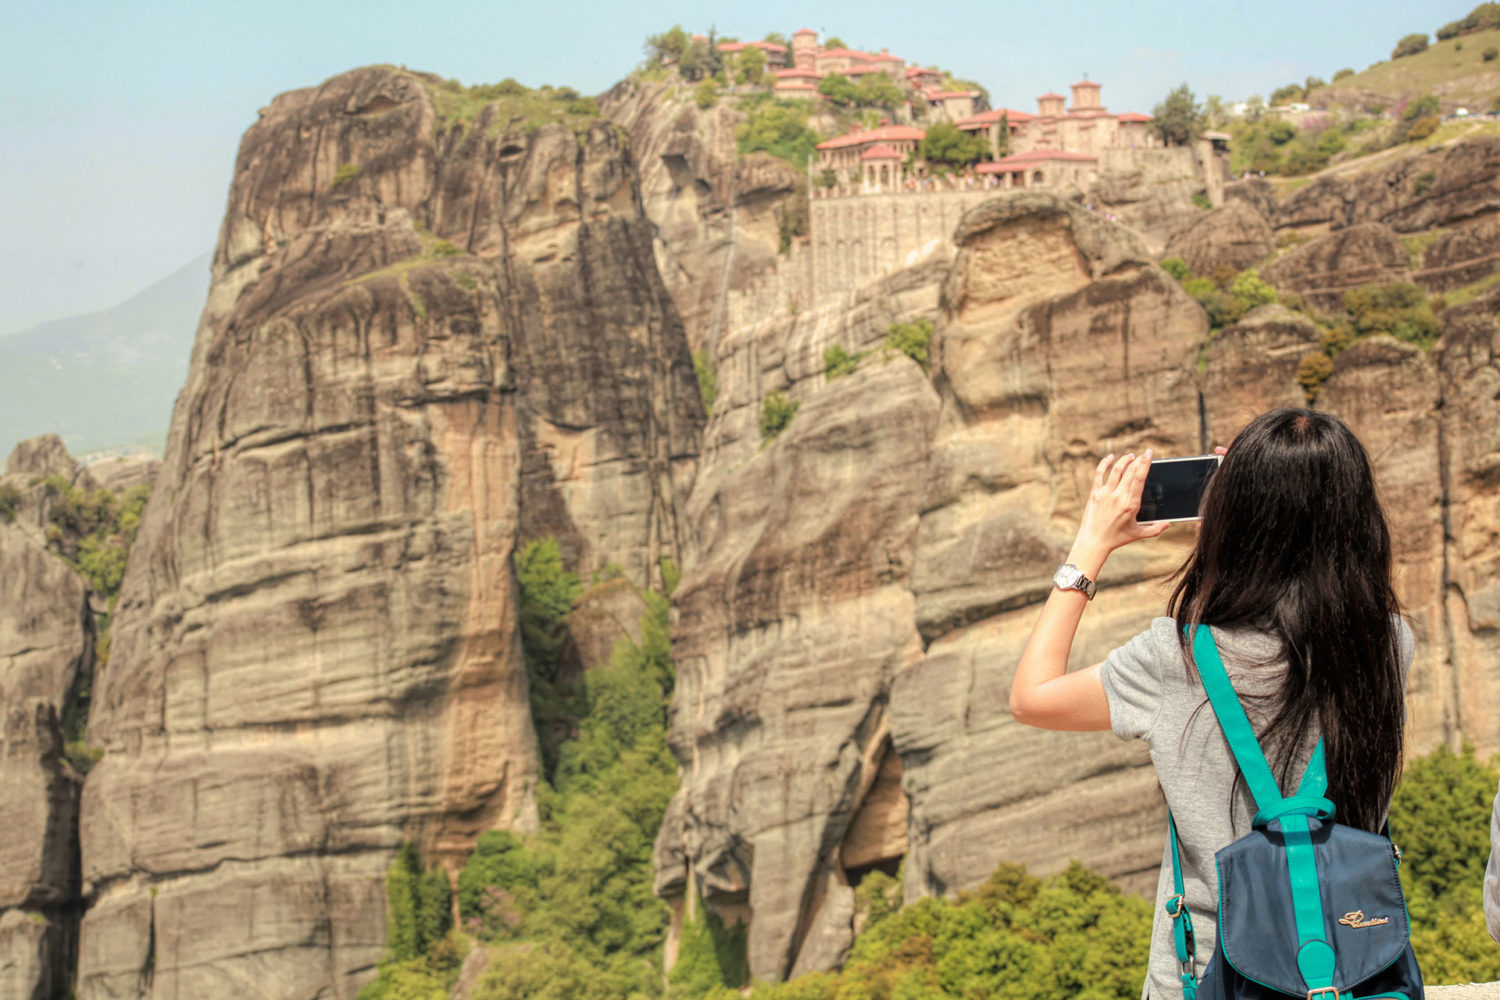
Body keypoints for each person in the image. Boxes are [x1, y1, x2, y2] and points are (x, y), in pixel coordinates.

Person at [1009, 408, 1412, 999]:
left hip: (1208, 979)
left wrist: (1090, 546)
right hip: (1356, 969)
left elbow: (1031, 697)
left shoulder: (1176, 660)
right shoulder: (1389, 644)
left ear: (1232, 519)